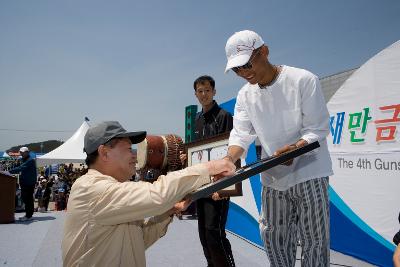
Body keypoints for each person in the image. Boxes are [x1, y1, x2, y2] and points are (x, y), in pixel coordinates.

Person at [223, 30, 333, 267]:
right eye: (237, 70)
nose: (244, 73)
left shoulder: (303, 80)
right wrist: (228, 160)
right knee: (273, 237)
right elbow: (241, 134)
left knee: (314, 240)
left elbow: (318, 129)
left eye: (247, 64)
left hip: (310, 171)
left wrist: (296, 148)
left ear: (264, 51)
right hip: (272, 175)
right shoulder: (244, 95)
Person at [61, 121, 235, 267]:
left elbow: (138, 241)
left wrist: (168, 212)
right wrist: (209, 168)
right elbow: (158, 195)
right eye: (129, 149)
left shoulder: (112, 190)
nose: (135, 157)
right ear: (104, 153)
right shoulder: (90, 188)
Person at [181, 75, 235, 267]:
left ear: (214, 92)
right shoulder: (196, 120)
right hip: (200, 185)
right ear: (195, 94)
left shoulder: (224, 117)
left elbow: (229, 153)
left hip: (218, 186)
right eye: (200, 91)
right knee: (204, 234)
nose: (203, 94)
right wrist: (186, 157)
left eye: (207, 91)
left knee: (214, 233)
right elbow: (196, 151)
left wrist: (223, 187)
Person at [9, 146, 38, 221]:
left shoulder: (30, 160)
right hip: (24, 182)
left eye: (23, 152)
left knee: (27, 198)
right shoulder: (23, 159)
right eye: (20, 152)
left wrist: (8, 172)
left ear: (27, 152)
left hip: (29, 182)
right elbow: (18, 167)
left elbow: (21, 168)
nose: (21, 153)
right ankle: (28, 214)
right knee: (26, 198)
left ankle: (29, 215)